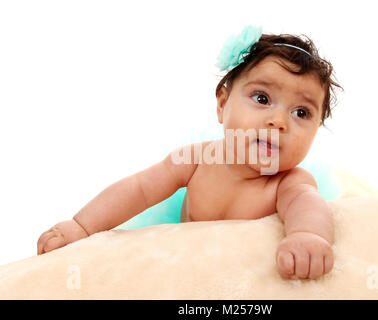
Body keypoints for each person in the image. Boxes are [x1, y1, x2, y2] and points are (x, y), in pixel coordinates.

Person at [37, 25, 342, 280]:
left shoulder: (289, 182)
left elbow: (308, 207)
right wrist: (82, 226)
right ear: (222, 104)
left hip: (246, 281)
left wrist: (308, 236)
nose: (278, 121)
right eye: (262, 98)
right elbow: (139, 189)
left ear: (316, 129)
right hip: (188, 271)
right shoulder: (196, 161)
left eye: (301, 112)